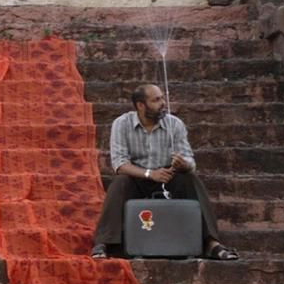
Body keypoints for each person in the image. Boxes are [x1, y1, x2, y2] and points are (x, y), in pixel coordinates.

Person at [91, 83, 239, 261]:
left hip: (168, 177)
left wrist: (183, 164)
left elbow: (190, 161)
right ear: (141, 105)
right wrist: (149, 174)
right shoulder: (121, 124)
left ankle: (212, 243)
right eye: (156, 100)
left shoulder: (174, 124)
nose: (163, 103)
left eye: (162, 98)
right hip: (137, 178)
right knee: (120, 182)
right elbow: (120, 164)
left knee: (190, 178)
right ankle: (104, 243)